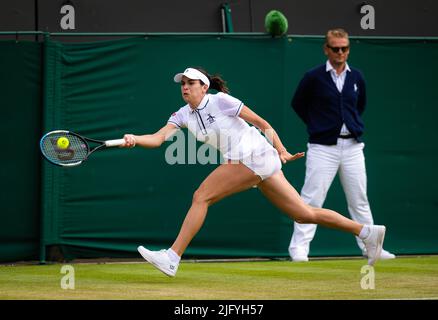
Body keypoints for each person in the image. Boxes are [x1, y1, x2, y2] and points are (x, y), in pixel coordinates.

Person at [120, 66, 387, 277]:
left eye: (191, 83)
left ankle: (172, 257)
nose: (185, 87)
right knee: (303, 214)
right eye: (183, 84)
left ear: (204, 86)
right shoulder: (182, 114)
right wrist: (134, 138)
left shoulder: (221, 101)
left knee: (202, 196)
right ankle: (366, 232)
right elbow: (157, 138)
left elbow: (261, 122)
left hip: (255, 155)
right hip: (253, 161)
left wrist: (281, 150)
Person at [288, 28, 395, 262]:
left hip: (353, 146)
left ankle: (372, 248)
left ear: (348, 49)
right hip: (322, 147)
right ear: (326, 49)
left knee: (359, 199)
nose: (340, 52)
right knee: (311, 198)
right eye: (335, 48)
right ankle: (299, 249)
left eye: (344, 48)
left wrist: (350, 124)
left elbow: (360, 105)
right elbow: (298, 104)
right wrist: (319, 124)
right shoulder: (313, 77)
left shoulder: (357, 77)